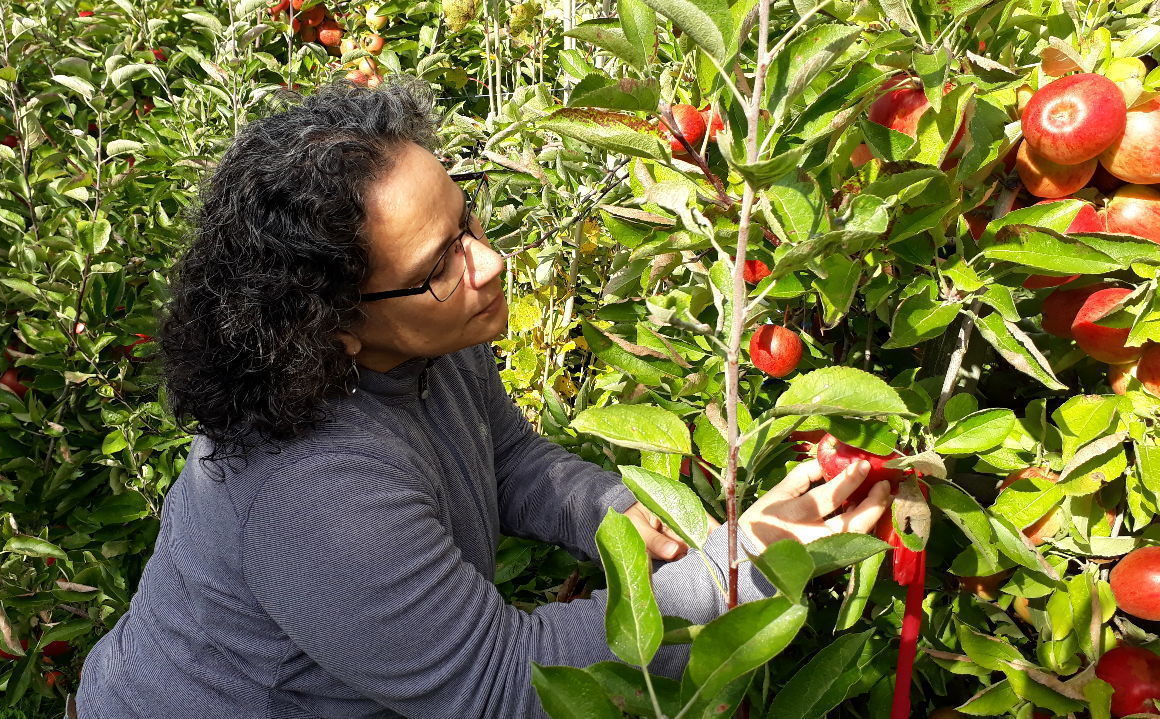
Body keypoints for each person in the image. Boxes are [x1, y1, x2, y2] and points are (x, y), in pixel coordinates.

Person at [74, 76, 892, 719]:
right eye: (440, 264)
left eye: (468, 221)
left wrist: (618, 514)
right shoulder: (312, 491)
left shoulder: (427, 343)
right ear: (335, 327)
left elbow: (508, 456)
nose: (489, 262)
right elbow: (500, 687)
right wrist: (729, 580)